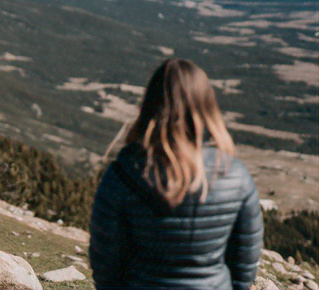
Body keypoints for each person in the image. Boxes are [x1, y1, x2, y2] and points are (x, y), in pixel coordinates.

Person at [89, 58, 263, 290]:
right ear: (207, 106)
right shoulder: (236, 176)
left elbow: (106, 265)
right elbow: (244, 266)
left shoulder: (121, 174)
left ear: (150, 104)